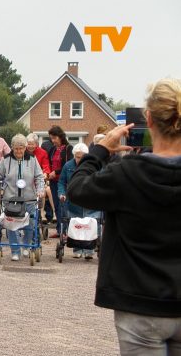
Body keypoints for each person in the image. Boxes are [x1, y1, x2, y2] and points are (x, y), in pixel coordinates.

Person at [67, 78, 181, 354]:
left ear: (149, 119)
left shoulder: (126, 173)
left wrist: (100, 150)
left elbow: (77, 189)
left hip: (138, 301)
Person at [0, 134, 44, 261]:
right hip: (11, 198)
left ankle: (26, 246)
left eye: (21, 148)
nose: (19, 151)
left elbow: (39, 177)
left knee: (30, 224)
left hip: (29, 198)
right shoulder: (6, 160)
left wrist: (40, 190)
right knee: (11, 225)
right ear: (12, 148)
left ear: (25, 147)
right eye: (16, 148)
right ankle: (15, 251)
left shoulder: (32, 159)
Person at [58, 143, 98, 259]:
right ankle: (77, 248)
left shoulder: (93, 166)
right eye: (77, 156)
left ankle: (89, 250)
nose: (79, 159)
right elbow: (61, 182)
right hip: (73, 201)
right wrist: (61, 193)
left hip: (89, 202)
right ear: (74, 155)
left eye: (82, 157)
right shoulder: (68, 166)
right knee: (76, 225)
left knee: (89, 226)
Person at [47, 125, 73, 238]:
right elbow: (48, 163)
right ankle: (59, 229)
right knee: (56, 206)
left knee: (64, 206)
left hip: (64, 182)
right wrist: (47, 172)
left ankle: (66, 231)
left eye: (54, 138)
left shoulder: (68, 148)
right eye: (51, 138)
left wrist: (56, 172)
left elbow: (67, 165)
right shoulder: (52, 149)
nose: (53, 141)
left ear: (60, 136)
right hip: (53, 182)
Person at [26, 133, 53, 223]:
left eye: (32, 144)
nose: (30, 146)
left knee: (42, 191)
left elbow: (46, 166)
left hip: (38, 180)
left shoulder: (42, 152)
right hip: (26, 181)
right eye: (28, 144)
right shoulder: (22, 151)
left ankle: (41, 213)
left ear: (37, 144)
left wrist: (46, 173)